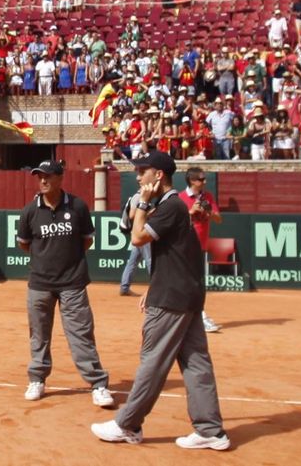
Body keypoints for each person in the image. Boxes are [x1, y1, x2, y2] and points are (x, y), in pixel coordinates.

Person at [94, 152, 229, 450]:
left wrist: (142, 202)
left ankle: (127, 424)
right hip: (186, 293)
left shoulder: (170, 206)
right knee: (196, 363)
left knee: (152, 361)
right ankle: (210, 429)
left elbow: (138, 238)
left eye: (143, 171)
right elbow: (179, 256)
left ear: (158, 175)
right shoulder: (173, 206)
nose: (139, 177)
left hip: (171, 299)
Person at [14, 159, 113, 408]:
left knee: (81, 335)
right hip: (39, 284)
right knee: (39, 336)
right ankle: (37, 379)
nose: (43, 181)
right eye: (40, 177)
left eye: (48, 176)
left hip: (73, 283)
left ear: (60, 178)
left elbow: (86, 240)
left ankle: (98, 384)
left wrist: (67, 262)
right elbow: (24, 244)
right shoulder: (29, 211)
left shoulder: (78, 206)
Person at [181, 169, 223, 334]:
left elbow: (219, 219)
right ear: (192, 181)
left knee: (197, 282)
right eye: (201, 179)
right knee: (191, 282)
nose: (204, 182)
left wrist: (209, 212)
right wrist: (190, 213)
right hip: (185, 245)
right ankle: (199, 316)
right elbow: (175, 221)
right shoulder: (181, 198)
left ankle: (196, 316)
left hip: (201, 245)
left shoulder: (208, 197)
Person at [117, 190, 151, 298]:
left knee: (132, 261)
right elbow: (132, 215)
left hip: (139, 233)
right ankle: (158, 288)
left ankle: (124, 288)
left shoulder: (144, 196)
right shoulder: (138, 196)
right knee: (150, 260)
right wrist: (150, 212)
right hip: (141, 233)